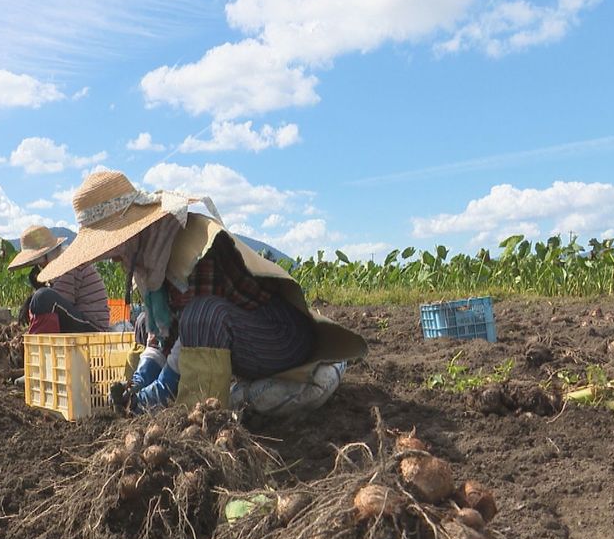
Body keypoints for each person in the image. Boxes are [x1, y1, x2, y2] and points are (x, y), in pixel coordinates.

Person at [38, 170, 367, 415]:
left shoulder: (191, 247)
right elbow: (162, 333)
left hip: (278, 338)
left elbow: (193, 330)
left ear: (131, 231)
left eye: (110, 245)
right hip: (237, 342)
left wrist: (160, 392)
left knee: (202, 315)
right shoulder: (149, 261)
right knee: (142, 322)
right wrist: (139, 382)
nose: (109, 255)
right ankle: (169, 393)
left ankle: (194, 413)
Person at [8, 225, 109, 334]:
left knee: (42, 297)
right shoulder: (62, 264)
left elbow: (59, 300)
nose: (40, 267)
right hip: (81, 319)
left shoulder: (66, 264)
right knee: (40, 296)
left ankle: (38, 341)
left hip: (93, 325)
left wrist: (34, 298)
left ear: (48, 255)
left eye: (40, 262)